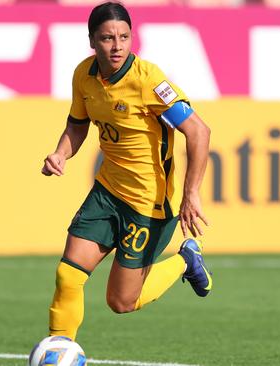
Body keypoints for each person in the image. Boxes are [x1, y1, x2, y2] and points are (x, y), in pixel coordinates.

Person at [41, 1, 212, 341]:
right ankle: (60, 354)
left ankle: (185, 260)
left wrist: (191, 193)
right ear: (92, 41)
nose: (117, 46)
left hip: (148, 204)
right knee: (68, 275)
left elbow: (198, 131)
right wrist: (61, 153)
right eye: (107, 38)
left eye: (124, 37)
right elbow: (77, 125)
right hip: (106, 193)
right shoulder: (84, 75)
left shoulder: (148, 80)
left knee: (120, 302)